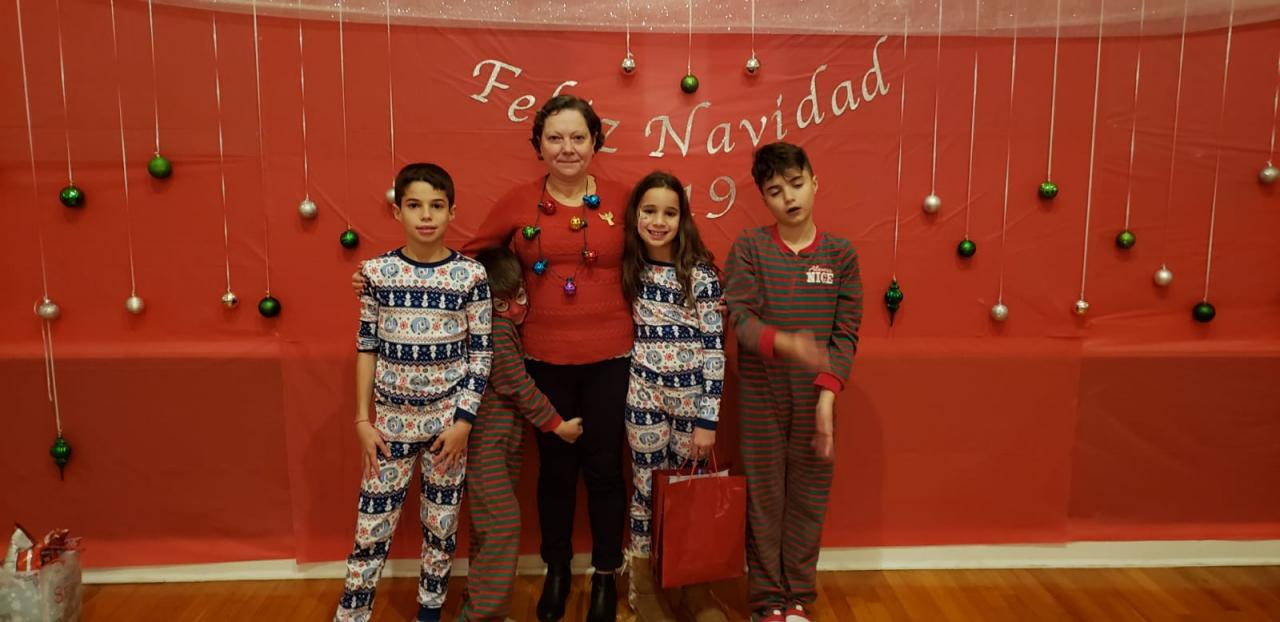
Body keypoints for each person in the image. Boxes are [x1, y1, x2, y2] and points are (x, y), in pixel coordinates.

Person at [354, 95, 632, 621]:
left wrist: (703, 288)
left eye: (578, 137)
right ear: (539, 146)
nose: (567, 148)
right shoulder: (517, 202)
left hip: (611, 356)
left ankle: (604, 576)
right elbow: (466, 262)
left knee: (604, 471)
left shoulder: (622, 197)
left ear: (595, 141)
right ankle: (556, 571)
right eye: (555, 137)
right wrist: (390, 279)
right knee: (555, 474)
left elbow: (665, 246)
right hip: (541, 361)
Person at [335, 163, 492, 622]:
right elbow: (367, 347)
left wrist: (463, 423)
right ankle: (351, 614)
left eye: (437, 206)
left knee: (440, 527)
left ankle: (429, 612)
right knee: (371, 529)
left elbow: (481, 354)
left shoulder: (470, 276)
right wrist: (362, 419)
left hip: (447, 427)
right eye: (415, 205)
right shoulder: (376, 273)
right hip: (389, 425)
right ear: (397, 211)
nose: (426, 215)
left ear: (451, 212)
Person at [723, 143, 863, 622]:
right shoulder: (750, 247)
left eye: (797, 185)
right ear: (764, 198)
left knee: (808, 499)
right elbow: (741, 319)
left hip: (816, 399)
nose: (789, 198)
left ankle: (798, 597)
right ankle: (767, 602)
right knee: (764, 499)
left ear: (814, 182)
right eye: (775, 191)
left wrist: (827, 399)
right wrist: (785, 343)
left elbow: (845, 333)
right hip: (761, 397)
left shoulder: (840, 254)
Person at [618, 171, 729, 622]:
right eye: (649, 211)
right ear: (635, 216)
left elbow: (715, 348)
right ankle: (644, 588)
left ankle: (693, 585)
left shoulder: (699, 274)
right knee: (646, 490)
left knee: (689, 492)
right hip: (644, 399)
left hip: (692, 405)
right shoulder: (628, 269)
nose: (658, 221)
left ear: (683, 219)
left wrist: (707, 419)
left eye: (669, 212)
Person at [462, 247, 584, 621]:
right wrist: (557, 425)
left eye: (519, 296)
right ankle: (484, 615)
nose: (515, 308)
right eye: (502, 304)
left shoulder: (503, 327)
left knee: (488, 530)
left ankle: (477, 609)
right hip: (486, 446)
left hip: (500, 446)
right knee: (501, 526)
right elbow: (515, 384)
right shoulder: (498, 331)